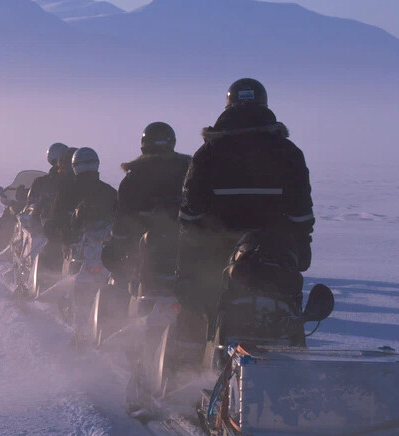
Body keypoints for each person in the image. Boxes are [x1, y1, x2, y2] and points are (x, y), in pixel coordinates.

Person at [176, 78, 313, 328]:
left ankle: (197, 353)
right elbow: (301, 212)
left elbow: (190, 213)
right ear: (264, 105)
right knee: (289, 308)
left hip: (220, 255)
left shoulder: (208, 153)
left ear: (228, 107)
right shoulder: (289, 152)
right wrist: (300, 248)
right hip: (275, 253)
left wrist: (189, 257)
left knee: (200, 313)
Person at [102, 122, 191, 287]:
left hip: (145, 254)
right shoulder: (191, 173)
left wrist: (113, 247)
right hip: (184, 251)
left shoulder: (132, 179)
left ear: (144, 146)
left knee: (116, 273)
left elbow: (123, 220)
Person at [49, 147, 118, 252]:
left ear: (74, 166)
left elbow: (55, 217)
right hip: (104, 249)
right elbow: (121, 216)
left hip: (76, 248)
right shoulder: (108, 190)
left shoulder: (66, 191)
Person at [26, 142, 69, 220]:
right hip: (46, 224)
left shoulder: (41, 181)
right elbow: (32, 203)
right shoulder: (41, 182)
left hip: (53, 224)